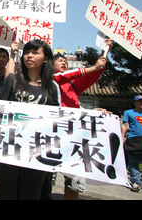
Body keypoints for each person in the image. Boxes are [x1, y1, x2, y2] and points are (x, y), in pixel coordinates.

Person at [0, 39, 59, 200]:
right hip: (9, 147)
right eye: (27, 52)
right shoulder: (13, 79)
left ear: (46, 59)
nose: (29, 56)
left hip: (36, 150)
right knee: (6, 193)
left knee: (31, 194)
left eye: (35, 53)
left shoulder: (51, 87)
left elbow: (58, 117)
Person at [52, 39, 112, 199]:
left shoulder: (71, 85)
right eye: (59, 61)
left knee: (74, 178)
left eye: (65, 61)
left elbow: (93, 77)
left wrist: (104, 53)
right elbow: (66, 75)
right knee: (45, 177)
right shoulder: (50, 81)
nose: (63, 63)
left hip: (74, 135)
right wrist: (94, 66)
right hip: (52, 134)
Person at [121, 95, 142, 192]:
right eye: (139, 101)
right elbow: (125, 125)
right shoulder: (128, 113)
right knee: (134, 163)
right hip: (133, 142)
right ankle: (136, 182)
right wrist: (122, 138)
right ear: (134, 102)